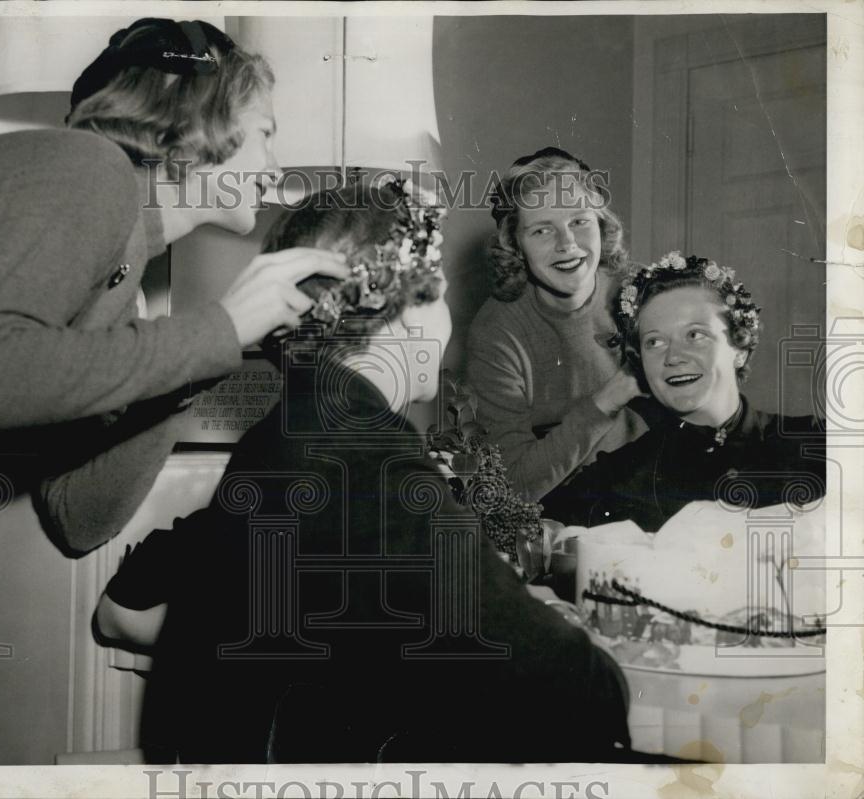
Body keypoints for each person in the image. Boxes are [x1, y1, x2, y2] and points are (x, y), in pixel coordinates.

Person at [95, 179, 632, 763]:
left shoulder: (288, 435)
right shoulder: (365, 457)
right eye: (440, 297)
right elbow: (580, 694)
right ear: (408, 307)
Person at [0, 18, 348, 552]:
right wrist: (217, 330)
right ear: (196, 112)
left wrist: (196, 367)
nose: (273, 167)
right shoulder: (86, 165)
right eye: (266, 133)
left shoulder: (119, 291)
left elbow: (79, 517)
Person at [541, 252, 826, 531]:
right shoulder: (621, 474)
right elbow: (534, 529)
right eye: (654, 342)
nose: (673, 356)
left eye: (695, 335)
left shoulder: (820, 444)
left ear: (739, 348)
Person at [466, 148, 648, 501]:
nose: (567, 245)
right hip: (567, 509)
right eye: (542, 230)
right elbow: (513, 486)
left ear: (601, 224)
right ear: (514, 244)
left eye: (579, 221)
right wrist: (610, 397)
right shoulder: (497, 332)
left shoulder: (641, 293)